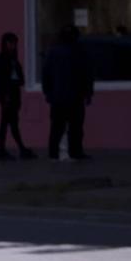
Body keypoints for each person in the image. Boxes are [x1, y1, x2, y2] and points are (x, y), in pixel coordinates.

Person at [41, 25, 95, 161]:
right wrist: (88, 93)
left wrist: (48, 93)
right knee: (75, 127)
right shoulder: (80, 51)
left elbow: (45, 74)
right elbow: (87, 74)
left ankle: (53, 153)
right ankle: (75, 152)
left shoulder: (53, 52)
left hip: (58, 97)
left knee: (57, 127)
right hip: (75, 96)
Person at [0, 32, 36, 160]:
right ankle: (11, 150)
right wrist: (5, 95)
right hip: (7, 96)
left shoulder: (12, 59)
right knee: (8, 123)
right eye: (10, 43)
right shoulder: (3, 59)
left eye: (14, 43)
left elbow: (20, 79)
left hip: (13, 95)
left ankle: (13, 149)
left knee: (10, 123)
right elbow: (2, 80)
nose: (13, 45)